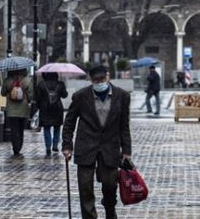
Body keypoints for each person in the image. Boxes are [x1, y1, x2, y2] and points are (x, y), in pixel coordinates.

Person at [62, 64, 132, 219]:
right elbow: (69, 122)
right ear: (91, 80)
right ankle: (89, 216)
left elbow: (124, 125)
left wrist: (126, 151)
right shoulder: (81, 96)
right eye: (95, 80)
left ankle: (109, 208)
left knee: (110, 184)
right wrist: (67, 145)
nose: (99, 82)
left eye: (102, 78)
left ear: (108, 76)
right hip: (86, 146)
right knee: (85, 186)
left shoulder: (122, 96)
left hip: (110, 147)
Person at [0, 69, 34, 156]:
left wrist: (9, 91)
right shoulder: (27, 80)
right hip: (23, 109)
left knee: (14, 129)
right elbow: (30, 95)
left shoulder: (8, 80)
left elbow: (3, 93)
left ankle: (15, 147)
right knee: (21, 129)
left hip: (11, 110)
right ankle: (19, 147)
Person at [35, 72, 68, 156]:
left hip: (45, 108)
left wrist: (39, 106)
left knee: (46, 128)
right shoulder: (60, 84)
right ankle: (55, 145)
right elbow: (65, 95)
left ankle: (48, 147)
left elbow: (37, 97)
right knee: (57, 127)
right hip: (57, 108)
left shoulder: (41, 84)